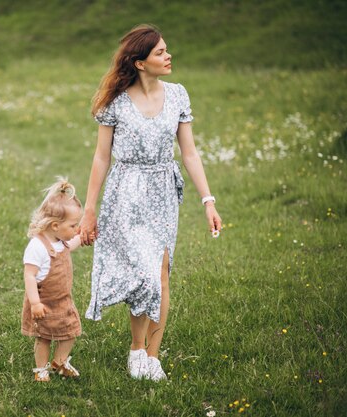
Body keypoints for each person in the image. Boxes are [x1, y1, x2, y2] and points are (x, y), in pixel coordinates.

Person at [80, 24, 222, 381]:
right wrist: (89, 209)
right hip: (125, 193)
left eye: (166, 49)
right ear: (140, 63)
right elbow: (101, 158)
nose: (168, 56)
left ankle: (151, 357)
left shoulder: (177, 95)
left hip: (162, 192)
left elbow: (189, 153)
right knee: (142, 273)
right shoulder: (115, 102)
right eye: (160, 52)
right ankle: (136, 349)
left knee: (160, 273)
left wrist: (208, 200)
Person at [21, 177, 84, 382]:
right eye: (74, 225)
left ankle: (59, 362)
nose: (76, 229)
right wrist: (35, 303)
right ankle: (41, 370)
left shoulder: (60, 241)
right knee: (44, 337)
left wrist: (83, 237)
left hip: (63, 300)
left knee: (71, 331)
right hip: (44, 303)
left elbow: (71, 245)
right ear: (55, 225)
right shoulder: (37, 246)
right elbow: (29, 276)